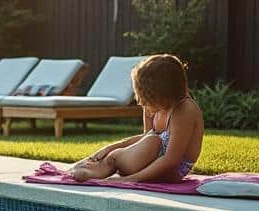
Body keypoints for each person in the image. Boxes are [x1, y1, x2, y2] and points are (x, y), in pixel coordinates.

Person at [69, 54, 204, 183]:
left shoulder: (184, 110)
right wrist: (109, 147)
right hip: (149, 159)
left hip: (172, 170)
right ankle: (98, 165)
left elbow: (171, 159)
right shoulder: (154, 106)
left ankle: (106, 164)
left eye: (147, 98)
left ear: (163, 93)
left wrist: (131, 179)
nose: (143, 103)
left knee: (152, 141)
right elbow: (144, 139)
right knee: (150, 140)